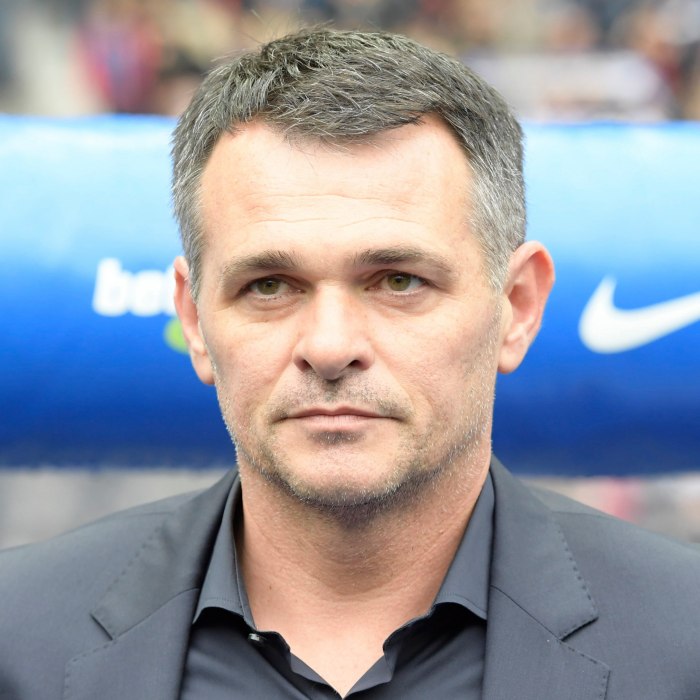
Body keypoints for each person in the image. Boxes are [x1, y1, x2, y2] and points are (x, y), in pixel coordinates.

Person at [1, 27, 699, 700]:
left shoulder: (682, 643)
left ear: (516, 306)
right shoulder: (19, 637)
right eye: (269, 286)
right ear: (195, 321)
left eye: (398, 281)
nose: (330, 347)